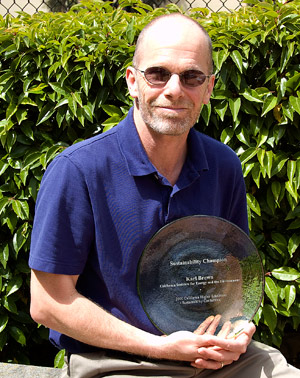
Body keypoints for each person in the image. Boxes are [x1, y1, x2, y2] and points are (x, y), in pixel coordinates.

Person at [29, 13, 300, 378]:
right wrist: (160, 347)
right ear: (132, 82)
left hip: (213, 356)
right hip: (118, 361)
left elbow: (237, 282)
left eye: (192, 77)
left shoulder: (224, 165)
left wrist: (239, 330)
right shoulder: (78, 171)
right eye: (158, 74)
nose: (174, 89)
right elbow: (48, 304)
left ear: (209, 89)